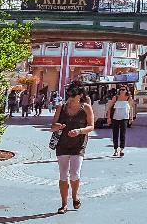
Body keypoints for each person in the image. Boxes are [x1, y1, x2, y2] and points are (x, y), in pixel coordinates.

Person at [50, 83, 94, 214]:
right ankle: (64, 204)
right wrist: (57, 126)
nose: (70, 99)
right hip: (62, 145)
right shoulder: (61, 108)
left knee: (75, 173)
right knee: (63, 175)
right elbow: (52, 126)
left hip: (78, 145)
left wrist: (79, 131)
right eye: (69, 96)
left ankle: (75, 196)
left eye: (73, 96)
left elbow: (91, 127)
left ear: (80, 96)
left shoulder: (86, 108)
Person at [106, 86, 135, 157]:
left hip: (124, 118)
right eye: (120, 89)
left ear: (126, 91)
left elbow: (131, 108)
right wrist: (108, 118)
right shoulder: (115, 97)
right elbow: (109, 108)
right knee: (115, 134)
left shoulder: (129, 98)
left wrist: (131, 118)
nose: (121, 91)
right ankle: (115, 149)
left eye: (123, 90)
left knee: (123, 134)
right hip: (115, 118)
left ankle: (121, 149)